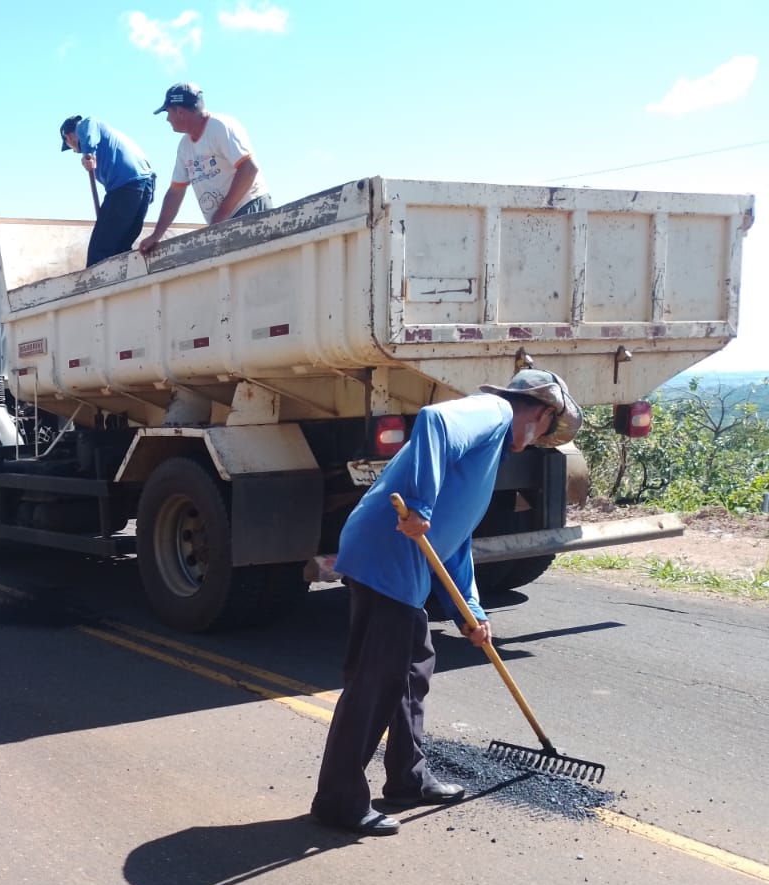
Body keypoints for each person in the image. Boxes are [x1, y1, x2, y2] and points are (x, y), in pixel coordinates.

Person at [310, 369, 585, 836]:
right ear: (539, 411)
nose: (536, 440)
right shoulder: (494, 411)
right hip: (386, 556)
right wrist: (419, 504)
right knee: (377, 680)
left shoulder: (490, 453)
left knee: (412, 671)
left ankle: (407, 779)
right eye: (543, 430)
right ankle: (338, 800)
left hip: (407, 566)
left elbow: (453, 542)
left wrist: (471, 614)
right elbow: (435, 420)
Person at [138, 82, 270, 255]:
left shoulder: (220, 126)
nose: (167, 119)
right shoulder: (185, 146)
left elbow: (249, 168)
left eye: (168, 112)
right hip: (224, 220)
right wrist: (156, 235)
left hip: (249, 208)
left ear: (180, 111)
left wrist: (221, 214)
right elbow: (175, 193)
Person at [59, 114, 157, 267]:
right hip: (143, 186)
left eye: (70, 146)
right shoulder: (103, 143)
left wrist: (88, 153)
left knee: (98, 252)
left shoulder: (86, 125)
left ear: (69, 137)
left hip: (126, 187)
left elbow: (89, 125)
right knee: (121, 248)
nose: (73, 151)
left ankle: (95, 289)